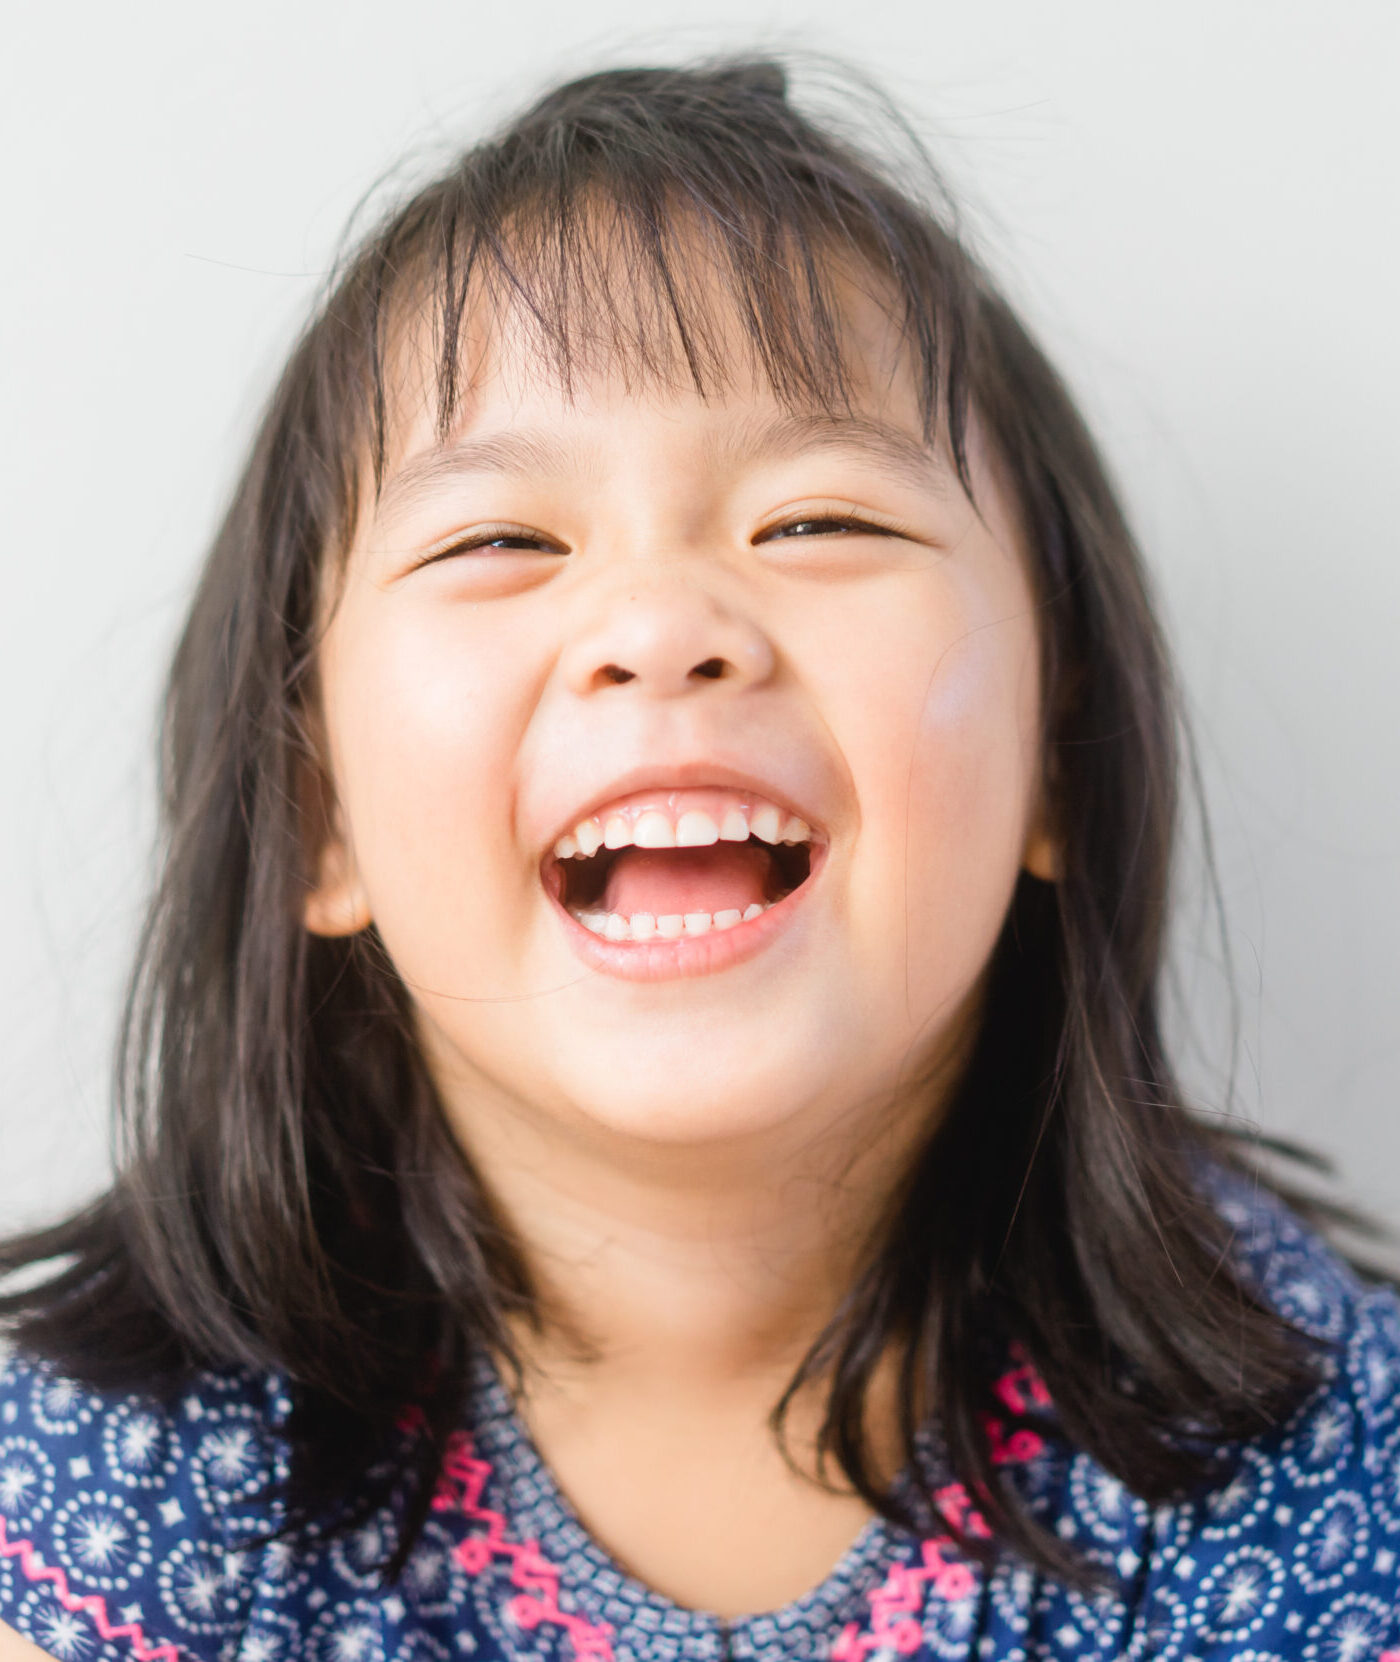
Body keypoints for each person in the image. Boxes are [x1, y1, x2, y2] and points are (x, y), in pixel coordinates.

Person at [1, 54, 1397, 1662]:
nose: (662, 626)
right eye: (501, 541)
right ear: (317, 809)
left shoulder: (1319, 1475)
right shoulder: (112, 1505)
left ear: (1054, 758)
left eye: (816, 523)